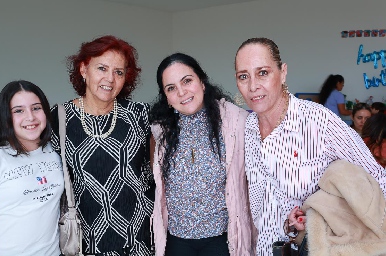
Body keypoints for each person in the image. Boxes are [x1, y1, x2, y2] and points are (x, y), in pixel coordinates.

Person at [234, 37, 386, 255]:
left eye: (263, 73)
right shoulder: (248, 127)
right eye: (243, 76)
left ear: (283, 72)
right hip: (264, 249)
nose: (253, 86)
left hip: (315, 248)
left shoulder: (318, 121)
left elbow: (377, 178)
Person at [50, 35, 154, 255]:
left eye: (119, 72)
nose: (110, 78)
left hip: (139, 241)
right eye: (102, 68)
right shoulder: (59, 118)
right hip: (85, 242)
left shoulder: (141, 114)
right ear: (84, 69)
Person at [150, 53, 256, 256]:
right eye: (171, 88)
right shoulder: (160, 131)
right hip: (176, 241)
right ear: (166, 97)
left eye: (187, 81)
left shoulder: (236, 122)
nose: (182, 92)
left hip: (221, 240)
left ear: (202, 82)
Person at [0, 80, 64, 256]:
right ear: (6, 117)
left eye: (36, 108)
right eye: (19, 111)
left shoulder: (56, 151)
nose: (30, 117)